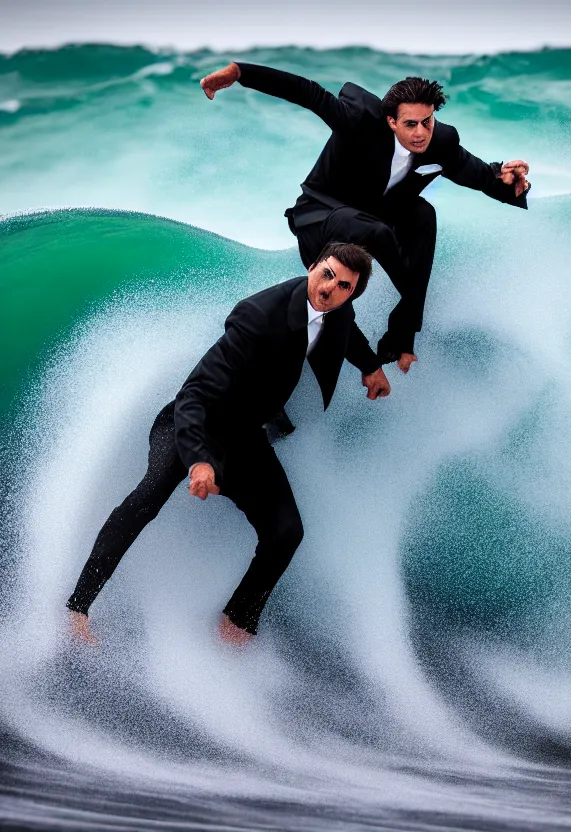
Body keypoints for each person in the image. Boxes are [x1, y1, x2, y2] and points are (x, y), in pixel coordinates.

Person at [67, 242, 389, 647]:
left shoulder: (339, 308)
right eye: (326, 274)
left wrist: (371, 367)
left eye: (344, 286)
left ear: (351, 294)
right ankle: (78, 607)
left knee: (287, 531)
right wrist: (200, 460)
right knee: (146, 499)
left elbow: (346, 332)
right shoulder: (258, 315)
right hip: (195, 421)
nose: (330, 288)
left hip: (244, 434)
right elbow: (194, 395)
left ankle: (237, 622)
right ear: (312, 265)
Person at [200, 62, 531, 371]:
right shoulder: (360, 121)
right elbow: (307, 92)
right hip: (322, 215)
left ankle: (398, 340)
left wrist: (508, 184)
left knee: (422, 215)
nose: (421, 133)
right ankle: (273, 367)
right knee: (340, 280)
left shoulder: (440, 141)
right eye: (411, 124)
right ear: (391, 121)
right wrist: (240, 73)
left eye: (427, 122)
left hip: (373, 219)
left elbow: (477, 173)